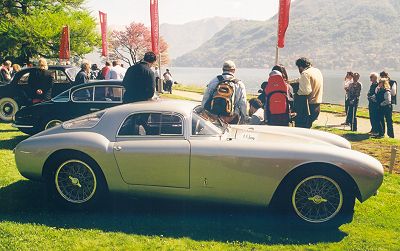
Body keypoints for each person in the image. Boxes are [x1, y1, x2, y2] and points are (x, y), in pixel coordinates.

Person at [290, 57, 323, 128]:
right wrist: (289, 81)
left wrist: (295, 94)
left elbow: (305, 91)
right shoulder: (316, 71)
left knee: (301, 129)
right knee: (308, 128)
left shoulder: (305, 74)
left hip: (307, 107)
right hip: (317, 106)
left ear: (300, 67)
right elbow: (301, 80)